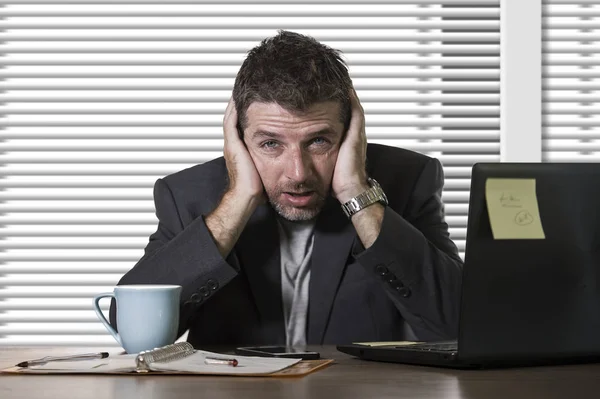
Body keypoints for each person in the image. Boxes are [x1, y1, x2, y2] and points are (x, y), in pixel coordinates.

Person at [109, 30, 463, 348]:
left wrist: (357, 193)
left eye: (319, 141)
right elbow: (130, 330)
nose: (297, 172)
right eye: (270, 144)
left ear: (351, 130)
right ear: (237, 138)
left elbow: (459, 325)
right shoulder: (187, 195)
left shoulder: (408, 181)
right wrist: (238, 201)